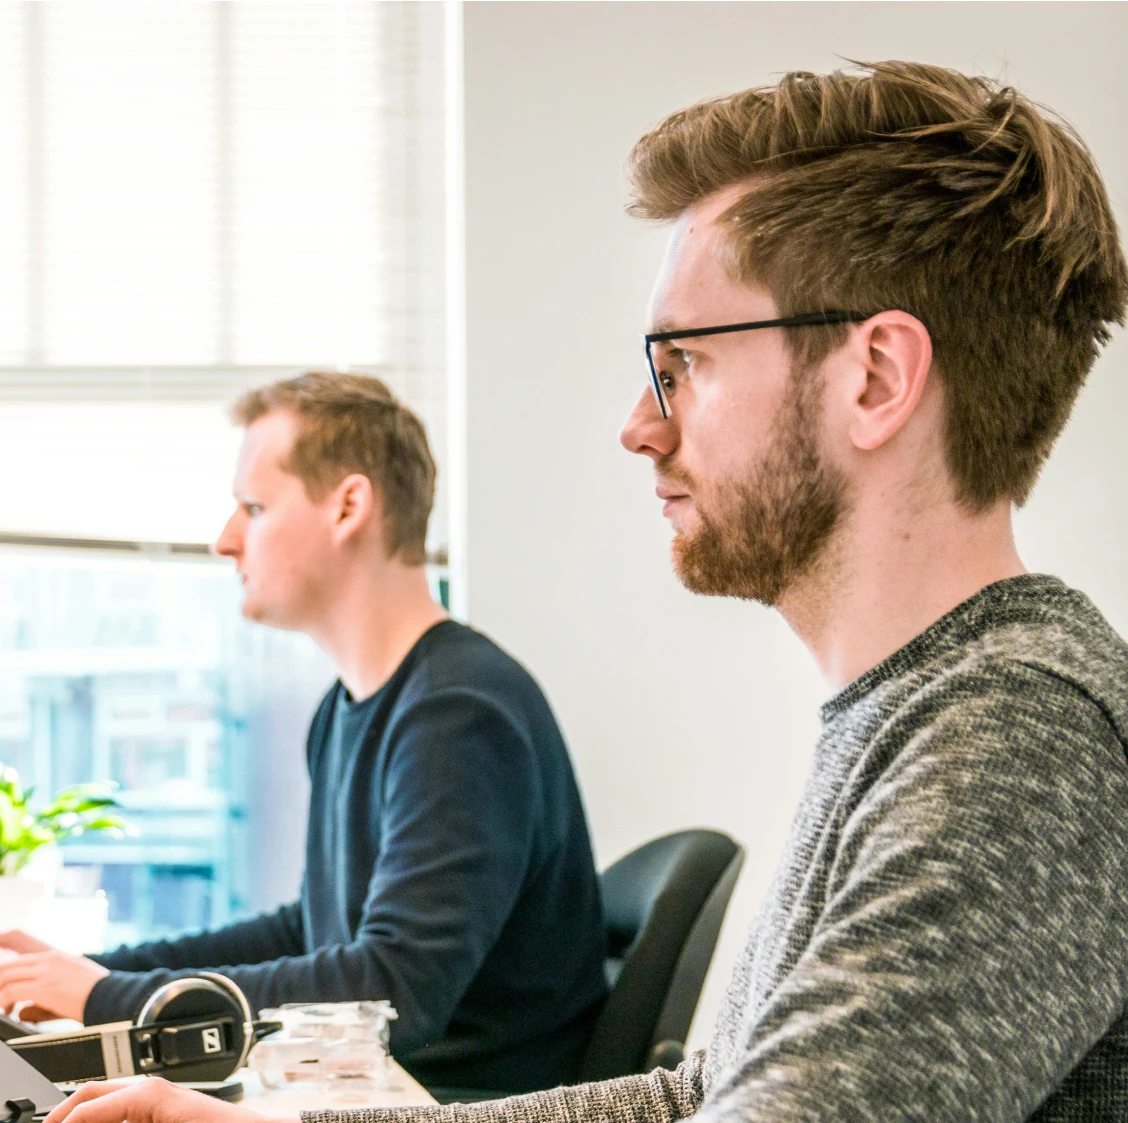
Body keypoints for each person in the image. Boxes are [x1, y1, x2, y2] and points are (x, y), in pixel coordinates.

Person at [40, 57, 1128, 1123]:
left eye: (682, 363)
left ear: (877, 377)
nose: (640, 423)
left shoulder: (1018, 736)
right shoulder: (918, 712)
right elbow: (697, 1093)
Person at [0, 372, 609, 1095]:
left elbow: (391, 992)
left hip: (456, 1102)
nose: (225, 539)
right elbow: (311, 931)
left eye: (254, 507)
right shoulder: (350, 708)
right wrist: (97, 971)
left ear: (349, 506)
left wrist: (105, 997)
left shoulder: (459, 713)